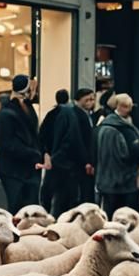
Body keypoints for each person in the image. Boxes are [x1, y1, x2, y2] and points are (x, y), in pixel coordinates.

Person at [0, 74, 44, 212]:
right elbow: (5, 145)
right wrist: (34, 153)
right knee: (16, 209)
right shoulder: (6, 114)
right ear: (26, 89)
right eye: (33, 87)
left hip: (28, 169)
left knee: (30, 209)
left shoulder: (26, 107)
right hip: (13, 171)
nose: (36, 91)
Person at [94, 93, 139, 217]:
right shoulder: (115, 128)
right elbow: (122, 155)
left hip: (111, 181)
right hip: (120, 182)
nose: (129, 109)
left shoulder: (109, 126)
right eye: (126, 106)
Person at [50, 87, 95, 216]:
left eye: (92, 99)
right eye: (87, 99)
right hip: (74, 162)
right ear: (78, 100)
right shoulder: (75, 114)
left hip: (72, 161)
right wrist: (86, 160)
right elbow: (77, 140)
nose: (90, 102)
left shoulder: (81, 114)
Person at [37, 89, 68, 210]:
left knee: (49, 186)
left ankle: (46, 207)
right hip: (64, 157)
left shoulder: (51, 114)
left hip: (51, 154)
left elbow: (42, 134)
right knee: (63, 189)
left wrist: (46, 152)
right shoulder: (70, 114)